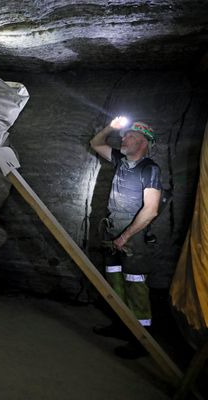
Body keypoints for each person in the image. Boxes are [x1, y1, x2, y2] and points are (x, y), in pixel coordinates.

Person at [90, 117, 162, 359]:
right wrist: (112, 126)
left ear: (142, 142)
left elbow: (150, 210)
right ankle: (121, 325)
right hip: (112, 232)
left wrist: (125, 236)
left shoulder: (149, 169)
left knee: (135, 286)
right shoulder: (121, 160)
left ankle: (141, 340)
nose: (124, 138)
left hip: (134, 239)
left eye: (129, 136)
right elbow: (95, 142)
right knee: (115, 281)